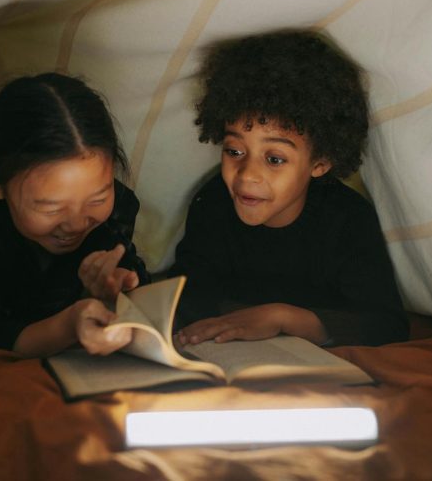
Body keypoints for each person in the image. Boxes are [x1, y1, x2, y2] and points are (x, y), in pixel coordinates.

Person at [169, 29, 408, 347]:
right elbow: (187, 296)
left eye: (275, 159)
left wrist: (282, 317)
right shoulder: (212, 204)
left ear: (320, 162)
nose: (247, 175)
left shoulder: (348, 221)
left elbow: (386, 324)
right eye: (235, 151)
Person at [0, 72, 149, 357]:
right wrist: (67, 327)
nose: (77, 223)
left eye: (98, 198)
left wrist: (121, 287)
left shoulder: (118, 207)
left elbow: (130, 275)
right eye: (51, 207)